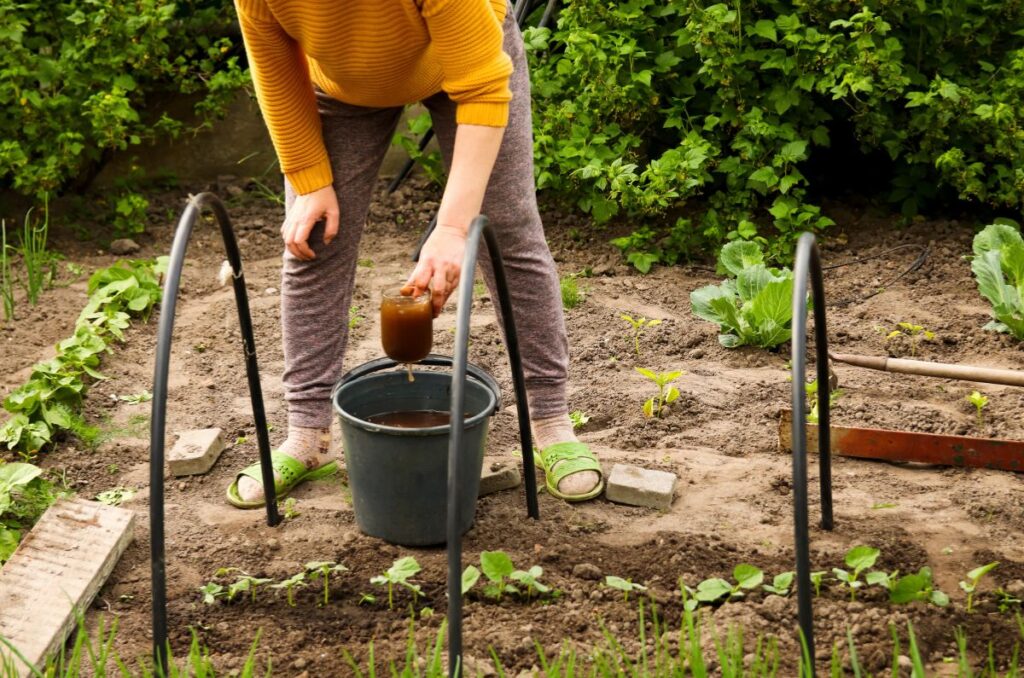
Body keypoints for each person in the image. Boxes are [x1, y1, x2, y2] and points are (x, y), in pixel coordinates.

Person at [225, 0, 603, 508]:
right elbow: (273, 66)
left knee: (506, 228)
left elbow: (485, 88)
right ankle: (307, 432)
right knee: (312, 238)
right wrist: (309, 177)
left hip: (465, 66)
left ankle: (551, 421)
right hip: (344, 85)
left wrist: (452, 227)